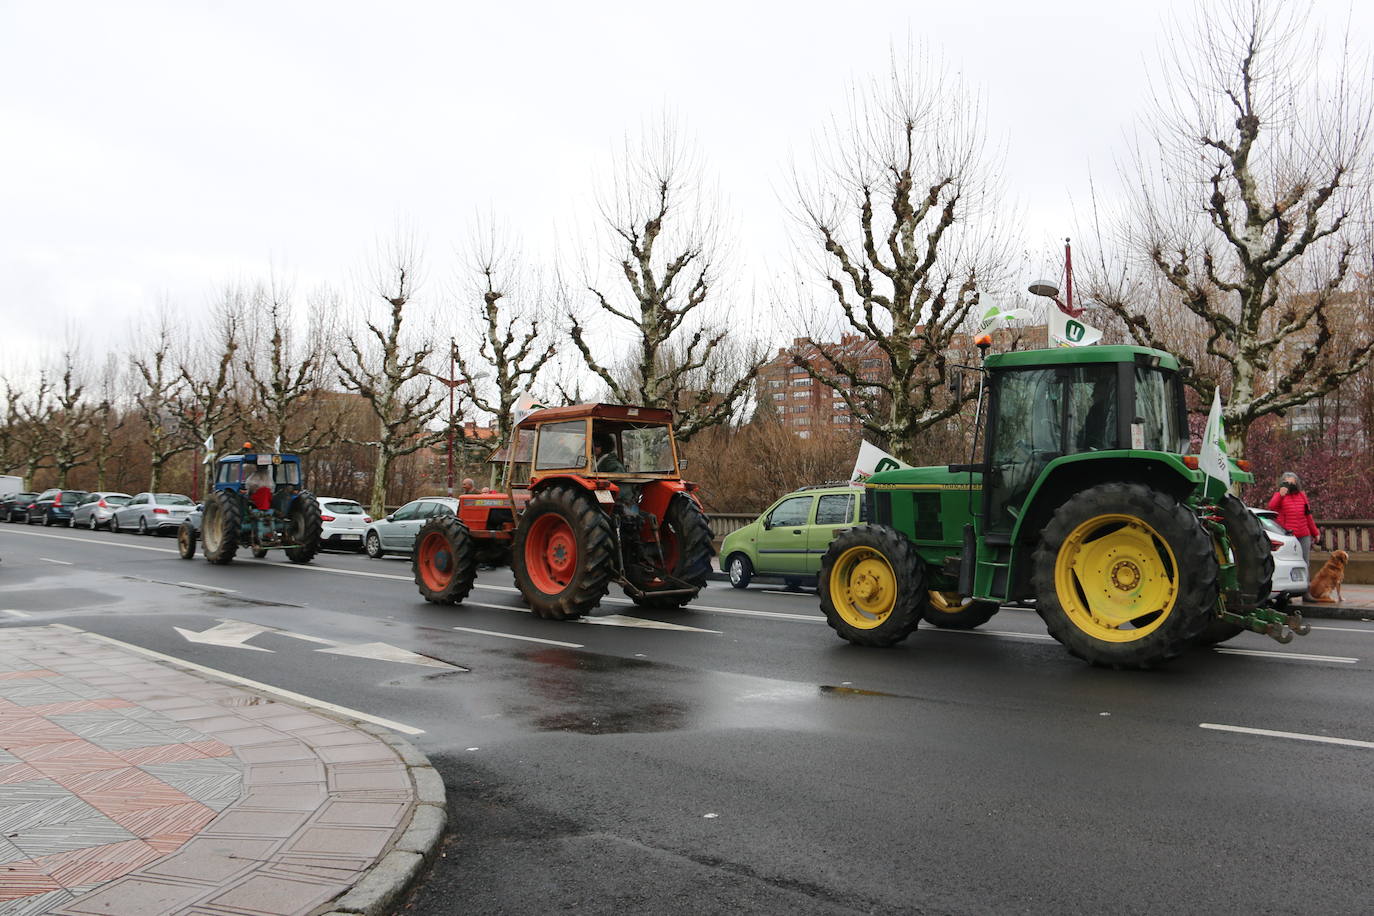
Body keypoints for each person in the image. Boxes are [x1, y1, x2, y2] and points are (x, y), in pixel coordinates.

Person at [1268, 471, 1320, 564]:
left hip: (1304, 535)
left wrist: (1315, 532)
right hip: (1289, 535)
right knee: (1290, 562)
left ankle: (1305, 578)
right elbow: (1272, 507)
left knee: (1305, 562)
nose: (1290, 485)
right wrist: (1280, 495)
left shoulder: (1301, 495)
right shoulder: (1279, 495)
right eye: (1287, 483)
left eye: (1292, 483)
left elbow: (1308, 516)